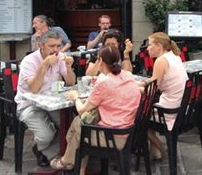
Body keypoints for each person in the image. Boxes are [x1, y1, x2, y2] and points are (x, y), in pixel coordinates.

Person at [49, 45, 141, 173]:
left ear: (101, 61)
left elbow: (82, 109)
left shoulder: (104, 83)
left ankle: (67, 161)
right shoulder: (128, 75)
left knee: (79, 122)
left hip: (111, 137)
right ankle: (70, 163)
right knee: (79, 123)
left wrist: (75, 97)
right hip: (127, 131)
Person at [15, 30, 76, 167]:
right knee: (46, 135)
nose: (56, 50)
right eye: (52, 46)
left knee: (70, 124)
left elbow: (71, 82)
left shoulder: (60, 57)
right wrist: (44, 65)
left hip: (50, 102)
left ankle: (51, 151)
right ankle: (49, 152)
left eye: (58, 46)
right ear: (41, 46)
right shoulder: (29, 61)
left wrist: (68, 67)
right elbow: (35, 89)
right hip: (29, 105)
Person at [139, 32, 188, 160]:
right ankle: (155, 153)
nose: (147, 48)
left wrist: (135, 87)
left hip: (169, 111)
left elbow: (152, 90)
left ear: (159, 46)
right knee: (147, 112)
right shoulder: (175, 56)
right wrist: (143, 82)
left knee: (139, 118)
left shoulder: (161, 61)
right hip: (182, 108)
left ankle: (161, 147)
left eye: (149, 45)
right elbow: (155, 80)